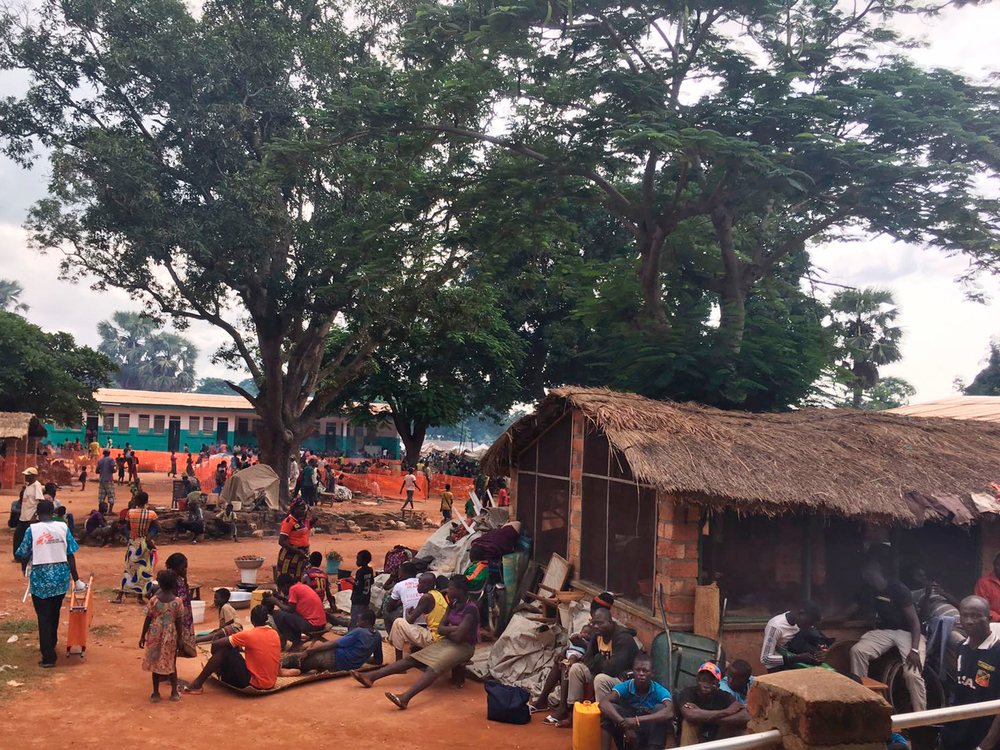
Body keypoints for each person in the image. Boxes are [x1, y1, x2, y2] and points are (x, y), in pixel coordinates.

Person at [353, 574, 479, 710]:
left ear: (461, 590)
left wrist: (448, 630)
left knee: (433, 668)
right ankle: (371, 677)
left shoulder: (471, 609)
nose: (448, 591)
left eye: (451, 588)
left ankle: (405, 698)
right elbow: (441, 629)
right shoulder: (453, 604)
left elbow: (458, 637)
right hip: (447, 642)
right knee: (412, 660)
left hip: (464, 647)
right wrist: (453, 629)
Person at [849, 558, 927, 712]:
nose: (865, 575)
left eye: (869, 571)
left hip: (908, 633)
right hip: (885, 632)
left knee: (912, 674)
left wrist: (915, 650)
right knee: (857, 651)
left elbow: (915, 622)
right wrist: (829, 619)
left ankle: (921, 717)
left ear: (878, 572)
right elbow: (852, 608)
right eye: (864, 572)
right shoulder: (868, 590)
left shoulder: (898, 589)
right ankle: (863, 703)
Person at [16, 499, 81, 668]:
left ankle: (48, 656)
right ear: (53, 512)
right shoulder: (63, 527)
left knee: (43, 616)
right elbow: (70, 554)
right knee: (54, 612)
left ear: (37, 512)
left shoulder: (32, 530)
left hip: (41, 578)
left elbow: (22, 553)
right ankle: (51, 644)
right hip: (61, 577)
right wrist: (76, 579)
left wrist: (25, 568)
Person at [559, 607, 639, 727]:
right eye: (594, 623)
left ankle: (602, 721)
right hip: (603, 673)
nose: (596, 626)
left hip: (625, 681)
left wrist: (598, 660)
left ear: (610, 623)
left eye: (600, 623)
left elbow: (613, 669)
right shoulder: (597, 635)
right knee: (576, 669)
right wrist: (599, 663)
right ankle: (575, 713)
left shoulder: (622, 638)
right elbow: (588, 659)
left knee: (600, 679)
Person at [940, 596, 1000, 750]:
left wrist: (986, 745)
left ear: (989, 618)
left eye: (975, 616)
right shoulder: (962, 647)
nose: (969, 621)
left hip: (985, 736)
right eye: (965, 615)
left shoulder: (997, 652)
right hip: (959, 733)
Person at [183, 605, 281, 694]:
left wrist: (216, 652)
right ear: (266, 619)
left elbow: (216, 644)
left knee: (224, 651)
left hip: (255, 683)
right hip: (271, 682)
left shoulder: (249, 635)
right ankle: (218, 670)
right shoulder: (274, 633)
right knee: (231, 649)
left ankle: (197, 684)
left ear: (252, 619)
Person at [599, 653, 674, 750]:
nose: (641, 674)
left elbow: (670, 712)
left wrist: (637, 720)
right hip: (628, 734)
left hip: (649, 734)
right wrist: (625, 725)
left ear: (652, 673)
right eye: (638, 670)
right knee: (609, 710)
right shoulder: (626, 686)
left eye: (645, 671)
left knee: (660, 708)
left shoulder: (658, 690)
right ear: (633, 671)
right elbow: (603, 703)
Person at [282, 608, 383, 674]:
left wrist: (309, 651)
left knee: (297, 659)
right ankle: (298, 668)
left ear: (366, 622)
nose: (357, 622)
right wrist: (361, 657)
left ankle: (275, 667)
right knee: (309, 661)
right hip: (344, 666)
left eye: (359, 620)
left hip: (335, 658)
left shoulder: (359, 632)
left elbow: (333, 643)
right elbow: (378, 661)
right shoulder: (377, 636)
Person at [139, 569, 185, 702]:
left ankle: (155, 693)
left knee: (154, 662)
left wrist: (142, 636)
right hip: (170, 635)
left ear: (159, 583)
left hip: (155, 632)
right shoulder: (177, 601)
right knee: (172, 662)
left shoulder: (153, 600)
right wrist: (181, 639)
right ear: (174, 584)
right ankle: (174, 692)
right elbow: (179, 621)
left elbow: (147, 618)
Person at [676, 662, 749, 744]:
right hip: (692, 740)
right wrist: (726, 712)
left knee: (735, 725)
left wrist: (703, 715)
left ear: (718, 684)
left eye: (711, 682)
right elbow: (690, 714)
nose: (706, 685)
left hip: (715, 739)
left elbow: (745, 716)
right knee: (689, 722)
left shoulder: (724, 696)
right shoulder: (688, 693)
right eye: (703, 680)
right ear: (697, 680)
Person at [112, 491, 160, 603]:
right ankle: (140, 596)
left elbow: (128, 527)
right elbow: (158, 528)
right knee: (144, 570)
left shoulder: (130, 512)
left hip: (134, 543)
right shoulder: (152, 514)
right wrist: (149, 536)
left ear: (137, 501)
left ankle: (120, 596)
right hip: (146, 544)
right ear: (146, 501)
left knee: (129, 569)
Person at [389, 572, 447, 660]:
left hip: (434, 638)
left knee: (398, 623)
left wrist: (409, 612)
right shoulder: (437, 594)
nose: (418, 586)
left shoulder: (426, 598)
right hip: (442, 636)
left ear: (427, 585)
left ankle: (398, 660)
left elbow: (410, 620)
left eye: (420, 583)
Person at [760, 602, 825, 672]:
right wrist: (795, 658)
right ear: (801, 614)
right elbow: (765, 658)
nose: (809, 627)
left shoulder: (802, 623)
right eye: (807, 623)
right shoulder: (775, 626)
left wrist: (818, 653)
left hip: (797, 663)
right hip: (778, 668)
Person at [269, 573, 327, 651]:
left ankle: (296, 642)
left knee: (278, 614)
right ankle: (296, 640)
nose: (282, 591)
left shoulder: (293, 589)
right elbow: (292, 605)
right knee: (286, 613)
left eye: (281, 589)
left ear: (286, 585)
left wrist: (276, 602)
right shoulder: (301, 586)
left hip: (312, 625)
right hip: (321, 624)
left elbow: (290, 609)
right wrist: (281, 598)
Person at [13, 467, 44, 560]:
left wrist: (35, 517)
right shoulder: (27, 486)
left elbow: (40, 502)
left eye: (28, 475)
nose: (26, 477)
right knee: (18, 537)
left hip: (30, 518)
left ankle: (28, 557)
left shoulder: (36, 486)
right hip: (23, 517)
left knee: (29, 539)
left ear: (34, 476)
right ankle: (18, 557)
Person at [277, 500, 311, 581]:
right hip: (291, 555)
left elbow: (315, 518)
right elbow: (281, 541)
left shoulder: (301, 521)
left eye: (304, 509)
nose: (303, 511)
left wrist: (310, 509)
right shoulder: (289, 521)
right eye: (301, 509)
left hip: (302, 554)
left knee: (301, 577)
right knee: (289, 579)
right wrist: (297, 551)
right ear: (295, 509)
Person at [384, 562, 422, 634]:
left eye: (400, 573)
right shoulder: (422, 582)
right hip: (425, 618)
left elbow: (389, 607)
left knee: (386, 611)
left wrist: (399, 602)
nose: (398, 576)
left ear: (405, 573)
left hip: (410, 620)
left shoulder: (399, 585)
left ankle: (392, 637)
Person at [164, 552, 195, 637]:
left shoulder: (181, 580)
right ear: (175, 567)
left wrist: (185, 579)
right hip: (177, 617)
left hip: (185, 616)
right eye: (183, 567)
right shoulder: (172, 582)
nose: (185, 570)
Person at [350, 550, 375, 630]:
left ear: (363, 561)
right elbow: (371, 581)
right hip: (366, 598)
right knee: (363, 617)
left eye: (358, 559)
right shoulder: (370, 570)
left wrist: (349, 581)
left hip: (358, 599)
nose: (357, 561)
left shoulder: (360, 572)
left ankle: (352, 635)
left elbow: (358, 585)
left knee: (355, 619)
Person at [974, 552, 1000, 623]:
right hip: (992, 623)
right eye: (998, 564)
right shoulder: (983, 583)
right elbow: (981, 608)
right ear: (994, 565)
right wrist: (998, 618)